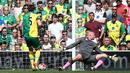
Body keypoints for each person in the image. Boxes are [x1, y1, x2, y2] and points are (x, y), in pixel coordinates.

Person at [21, 4, 42, 71]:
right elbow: (40, 24)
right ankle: (35, 62)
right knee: (38, 49)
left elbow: (20, 25)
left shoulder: (24, 16)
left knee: (30, 50)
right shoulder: (36, 15)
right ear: (34, 9)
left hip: (27, 36)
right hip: (34, 35)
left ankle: (32, 66)